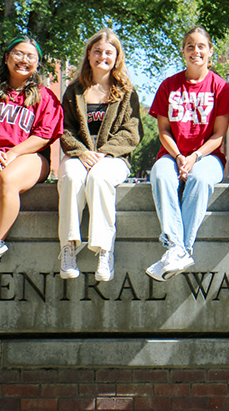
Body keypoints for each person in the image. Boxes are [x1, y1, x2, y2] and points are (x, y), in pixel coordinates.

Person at [0, 36, 64, 270]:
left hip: (29, 157)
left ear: (38, 63)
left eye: (30, 56)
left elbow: (44, 136)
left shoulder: (44, 96)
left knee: (6, 179)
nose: (23, 60)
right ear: (7, 57)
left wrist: (13, 153)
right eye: (18, 53)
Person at [145, 27, 229, 281]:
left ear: (210, 51)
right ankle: (179, 249)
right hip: (172, 154)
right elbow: (163, 130)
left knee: (199, 179)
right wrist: (178, 157)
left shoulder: (221, 87)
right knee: (161, 175)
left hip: (208, 157)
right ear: (183, 51)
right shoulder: (169, 85)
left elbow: (219, 135)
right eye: (190, 46)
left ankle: (178, 249)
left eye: (201, 46)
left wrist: (194, 157)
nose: (195, 51)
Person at [57, 29, 143, 282]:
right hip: (78, 156)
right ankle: (68, 248)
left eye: (108, 52)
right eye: (97, 51)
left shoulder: (126, 91)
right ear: (89, 54)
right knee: (71, 177)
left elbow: (132, 132)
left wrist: (104, 153)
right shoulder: (74, 91)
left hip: (113, 159)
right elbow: (65, 129)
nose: (102, 56)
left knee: (99, 178)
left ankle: (105, 250)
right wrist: (82, 152)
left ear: (117, 57)